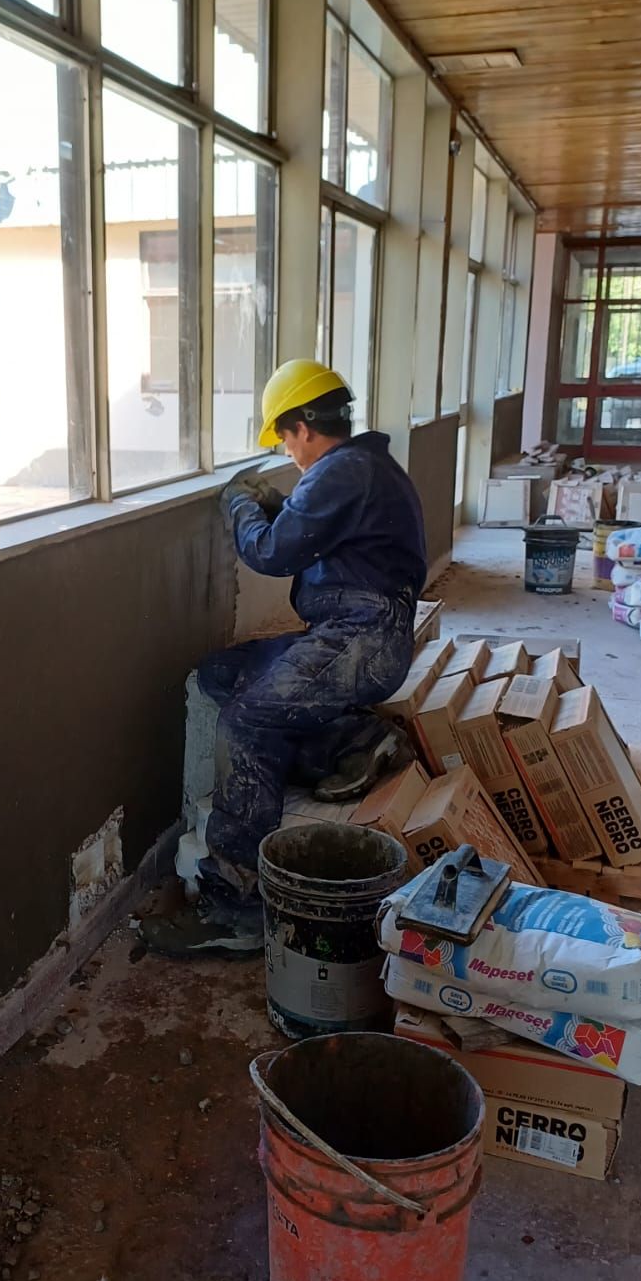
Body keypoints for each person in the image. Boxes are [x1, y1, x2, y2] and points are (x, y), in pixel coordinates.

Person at [144, 358, 427, 957]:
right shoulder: (364, 467)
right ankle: (350, 741)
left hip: (357, 640)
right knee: (221, 674)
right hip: (362, 637)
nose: (284, 449)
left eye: (282, 435)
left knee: (248, 721)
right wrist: (278, 503)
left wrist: (240, 503)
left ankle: (236, 908)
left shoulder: (341, 471)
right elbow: (313, 533)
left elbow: (272, 553)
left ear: (303, 424)